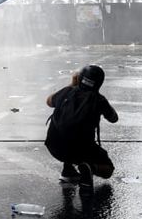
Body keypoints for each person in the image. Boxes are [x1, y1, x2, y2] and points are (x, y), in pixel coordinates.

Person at [44, 64, 118, 195]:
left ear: (79, 78)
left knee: (67, 132)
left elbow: (49, 101)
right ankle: (90, 167)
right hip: (81, 151)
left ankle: (67, 171)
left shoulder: (66, 92)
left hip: (54, 147)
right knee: (108, 170)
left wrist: (72, 84)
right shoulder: (99, 100)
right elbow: (114, 118)